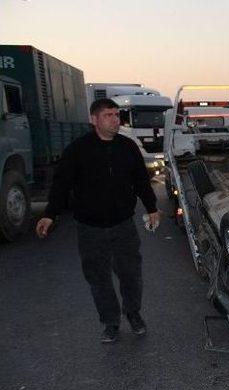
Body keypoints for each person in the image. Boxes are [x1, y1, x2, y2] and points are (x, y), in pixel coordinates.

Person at [36, 98, 160, 344]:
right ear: (94, 120)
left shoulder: (127, 147)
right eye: (108, 115)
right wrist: (50, 214)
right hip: (90, 228)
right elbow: (61, 184)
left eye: (116, 115)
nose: (115, 120)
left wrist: (152, 207)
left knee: (130, 274)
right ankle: (110, 322)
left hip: (123, 225)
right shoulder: (78, 150)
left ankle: (133, 314)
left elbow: (141, 181)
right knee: (98, 278)